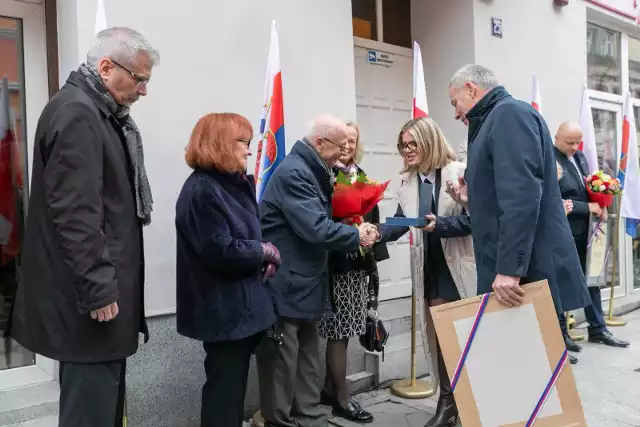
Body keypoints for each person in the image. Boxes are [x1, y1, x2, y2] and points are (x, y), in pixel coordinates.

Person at [10, 27, 158, 427]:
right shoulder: (79, 113)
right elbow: (76, 213)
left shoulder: (98, 112)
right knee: (90, 408)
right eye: (139, 78)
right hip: (92, 302)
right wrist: (97, 287)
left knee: (104, 401)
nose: (144, 90)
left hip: (101, 296)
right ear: (106, 67)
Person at [445, 65, 590, 327]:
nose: (455, 113)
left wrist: (510, 270)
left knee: (529, 363)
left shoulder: (507, 115)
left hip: (521, 275)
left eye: (455, 102)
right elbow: (506, 191)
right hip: (513, 271)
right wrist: (471, 198)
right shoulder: (494, 118)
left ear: (471, 88)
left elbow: (521, 198)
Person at [257, 115, 377, 427]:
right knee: (283, 362)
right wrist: (356, 235)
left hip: (306, 282)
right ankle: (280, 422)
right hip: (287, 283)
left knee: (306, 358)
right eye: (340, 146)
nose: (345, 151)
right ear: (320, 143)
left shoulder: (314, 169)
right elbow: (315, 227)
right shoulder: (296, 173)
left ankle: (309, 416)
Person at [175, 113, 279, 427]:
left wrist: (262, 254)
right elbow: (218, 249)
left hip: (240, 310)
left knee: (231, 394)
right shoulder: (203, 190)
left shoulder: (227, 185)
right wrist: (262, 251)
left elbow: (244, 236)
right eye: (243, 143)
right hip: (224, 312)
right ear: (220, 144)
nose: (250, 151)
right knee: (224, 395)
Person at [378, 117, 476, 427]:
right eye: (402, 145)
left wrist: (441, 225)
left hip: (458, 266)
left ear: (429, 142)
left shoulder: (457, 173)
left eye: (412, 144)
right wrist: (368, 233)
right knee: (442, 341)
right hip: (429, 268)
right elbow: (399, 221)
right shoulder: (409, 181)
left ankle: (461, 404)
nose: (406, 151)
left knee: (459, 340)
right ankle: (449, 403)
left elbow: (480, 221)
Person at [318, 121, 389, 423]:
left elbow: (372, 214)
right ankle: (341, 399)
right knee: (339, 332)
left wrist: (375, 234)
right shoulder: (325, 176)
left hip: (359, 264)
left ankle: (327, 388)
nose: (347, 147)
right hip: (337, 266)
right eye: (343, 141)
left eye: (352, 141)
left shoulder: (359, 175)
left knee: (346, 331)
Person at [554, 121, 629, 350]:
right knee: (565, 281)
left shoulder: (579, 157)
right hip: (565, 232)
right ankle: (561, 334)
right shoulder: (549, 160)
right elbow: (555, 201)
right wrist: (587, 208)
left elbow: (588, 187)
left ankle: (597, 328)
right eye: (570, 142)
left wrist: (601, 204)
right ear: (556, 137)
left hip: (588, 231)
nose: (575, 147)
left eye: (578, 142)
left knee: (592, 279)